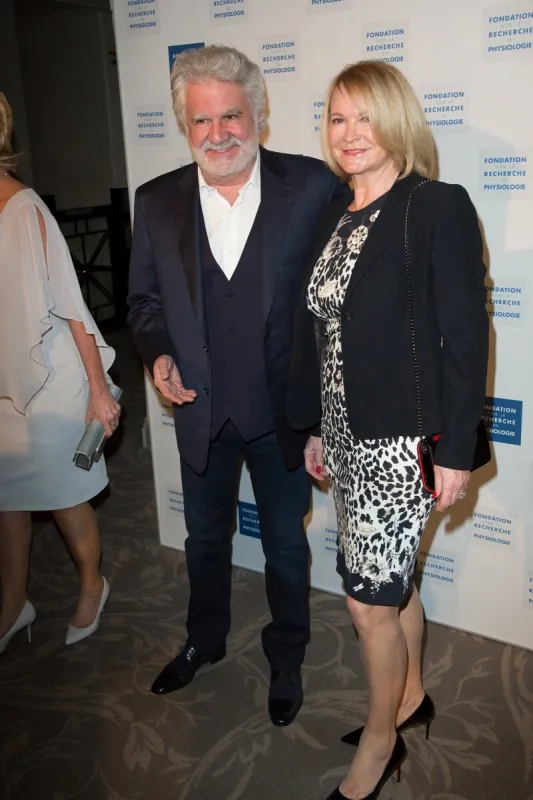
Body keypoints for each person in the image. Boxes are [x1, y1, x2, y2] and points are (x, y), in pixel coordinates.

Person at [128, 44, 349, 725]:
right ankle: (205, 639)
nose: (218, 133)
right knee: (203, 539)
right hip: (200, 412)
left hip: (282, 414)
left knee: (286, 543)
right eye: (201, 121)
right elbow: (143, 304)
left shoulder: (312, 187)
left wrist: (325, 415)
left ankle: (286, 656)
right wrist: (157, 355)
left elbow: (336, 302)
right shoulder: (156, 200)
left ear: (258, 114)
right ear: (183, 124)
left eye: (231, 116)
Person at [287, 61, 488, 799]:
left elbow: (465, 338)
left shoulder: (432, 206)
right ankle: (407, 699)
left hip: (401, 442)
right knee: (390, 586)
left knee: (367, 601)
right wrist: (314, 428)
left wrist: (456, 450)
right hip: (345, 434)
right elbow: (324, 334)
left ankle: (380, 741)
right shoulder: (336, 213)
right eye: (337, 118)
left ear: (397, 121)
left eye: (364, 117)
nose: (349, 134)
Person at [0, 93, 120, 653]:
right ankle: (14, 600)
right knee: (7, 495)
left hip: (50, 380)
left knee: (63, 493)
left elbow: (74, 307)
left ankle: (92, 583)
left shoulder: (26, 210)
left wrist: (98, 391)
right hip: (3, 380)